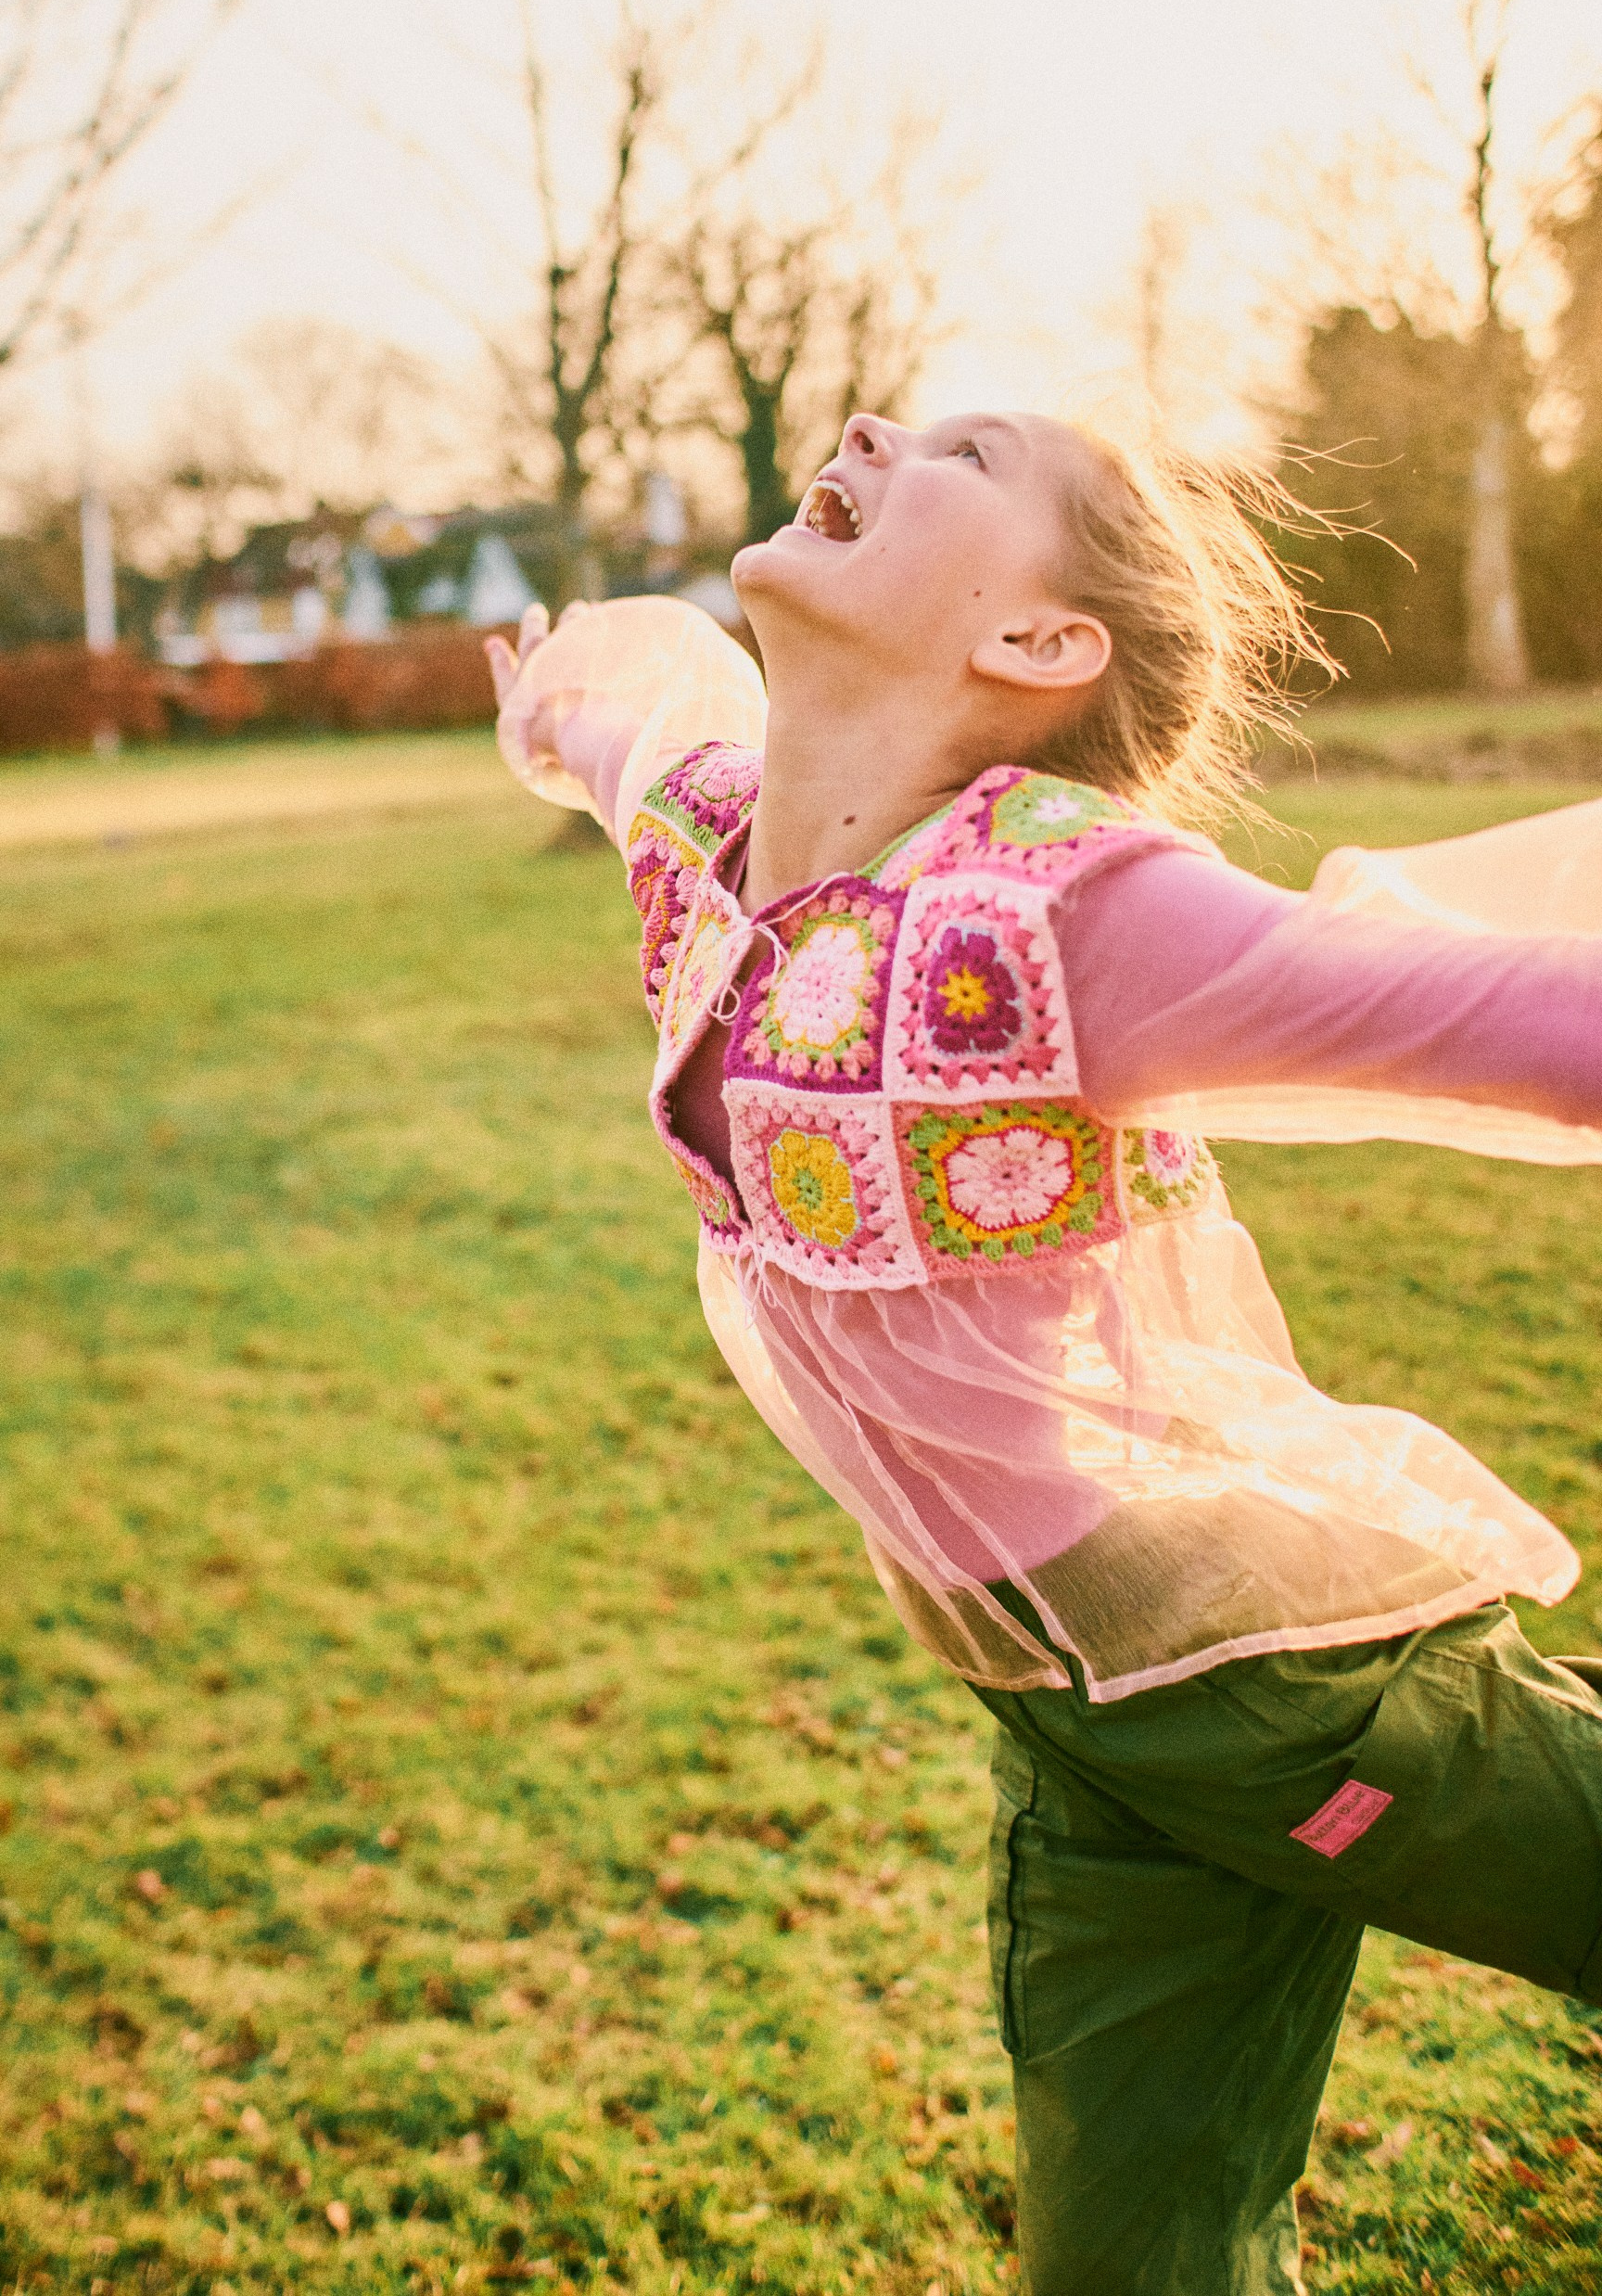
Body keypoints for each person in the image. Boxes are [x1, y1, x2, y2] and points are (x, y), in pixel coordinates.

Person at [487, 409, 1602, 2296]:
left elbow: (1518, 1015)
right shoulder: (704, 820)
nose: (866, 426)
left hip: (1287, 1687)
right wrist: (551, 701)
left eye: (958, 452)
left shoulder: (1068, 911)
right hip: (1083, 1742)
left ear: (1038, 647)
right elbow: (618, 719)